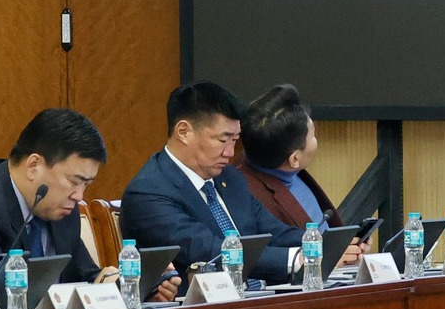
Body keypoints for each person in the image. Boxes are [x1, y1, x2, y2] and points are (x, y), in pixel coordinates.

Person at [0, 108, 178, 303]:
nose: (79, 195)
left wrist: (134, 285)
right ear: (33, 166)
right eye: (74, 181)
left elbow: (85, 276)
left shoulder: (58, 205)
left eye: (86, 184)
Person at [120, 82, 346, 285]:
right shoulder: (148, 193)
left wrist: (328, 246)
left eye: (235, 140)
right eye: (223, 140)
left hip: (258, 299)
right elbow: (210, 251)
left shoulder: (229, 177)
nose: (230, 153)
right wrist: (298, 259)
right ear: (184, 132)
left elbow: (273, 232)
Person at [238, 84, 340, 230]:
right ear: (294, 159)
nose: (316, 140)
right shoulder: (253, 199)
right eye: (313, 134)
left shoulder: (285, 169)